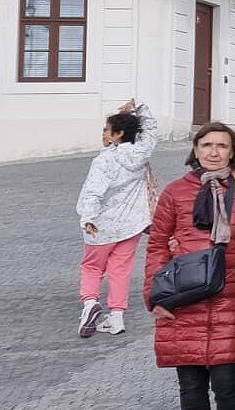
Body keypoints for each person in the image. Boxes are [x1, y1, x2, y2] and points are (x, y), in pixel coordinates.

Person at [144, 122, 235, 410]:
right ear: (195, 149)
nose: (213, 152)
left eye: (222, 145)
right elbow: (157, 244)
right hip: (182, 301)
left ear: (232, 152)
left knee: (228, 386)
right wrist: (153, 296)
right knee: (190, 389)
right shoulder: (176, 193)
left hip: (230, 297)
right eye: (206, 144)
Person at [76, 99, 157, 337]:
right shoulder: (141, 153)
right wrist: (139, 106)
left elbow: (94, 190)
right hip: (132, 223)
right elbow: (151, 130)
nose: (105, 133)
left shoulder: (104, 160)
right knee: (120, 269)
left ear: (118, 134)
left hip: (103, 224)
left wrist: (88, 218)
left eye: (108, 129)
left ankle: (90, 303)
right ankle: (117, 317)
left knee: (91, 266)